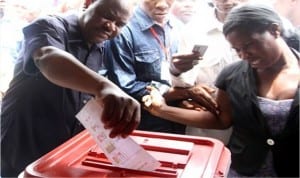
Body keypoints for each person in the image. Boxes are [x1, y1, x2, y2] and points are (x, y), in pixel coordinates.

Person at [142, 3, 299, 177]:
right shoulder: (231, 75)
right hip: (245, 170)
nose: (243, 55)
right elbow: (221, 120)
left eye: (248, 45)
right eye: (237, 50)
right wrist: (161, 110)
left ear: (274, 30)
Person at [0, 0, 140, 176]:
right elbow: (47, 57)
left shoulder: (99, 47)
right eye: (107, 16)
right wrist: (103, 86)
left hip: (60, 146)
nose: (111, 27)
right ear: (88, 4)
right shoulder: (50, 26)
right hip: (23, 139)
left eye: (120, 24)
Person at [106, 0, 203, 134]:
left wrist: (185, 93)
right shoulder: (123, 30)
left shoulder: (178, 26)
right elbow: (123, 86)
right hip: (143, 125)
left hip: (178, 121)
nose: (162, 4)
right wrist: (179, 93)